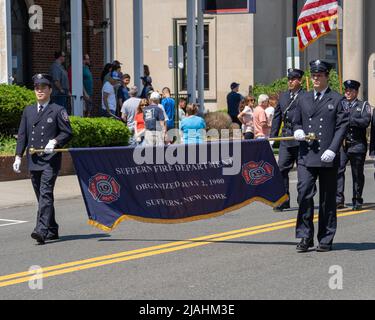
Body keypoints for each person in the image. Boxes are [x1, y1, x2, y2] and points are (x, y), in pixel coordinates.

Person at [293, 60, 349, 252]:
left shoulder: (337, 99)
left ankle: (325, 238)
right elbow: (295, 121)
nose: (315, 79)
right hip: (306, 154)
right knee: (304, 194)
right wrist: (298, 130)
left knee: (327, 199)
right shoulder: (304, 98)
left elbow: (342, 126)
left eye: (319, 75)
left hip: (327, 155)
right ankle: (304, 236)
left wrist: (333, 149)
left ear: (327, 77)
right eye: (313, 75)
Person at [12, 74, 73, 245]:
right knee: (41, 196)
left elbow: (67, 132)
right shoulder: (29, 110)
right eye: (37, 88)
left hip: (49, 160)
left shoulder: (57, 109)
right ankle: (52, 228)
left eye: (43, 87)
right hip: (33, 160)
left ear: (50, 90)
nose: (39, 91)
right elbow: (22, 135)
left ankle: (41, 230)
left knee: (46, 193)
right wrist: (18, 156)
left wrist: (54, 141)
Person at [271, 68, 305, 212]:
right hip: (286, 137)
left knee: (303, 172)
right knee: (281, 169)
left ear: (300, 80)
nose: (290, 82)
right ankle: (284, 200)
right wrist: (272, 137)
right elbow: (277, 117)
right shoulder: (284, 96)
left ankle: (303, 199)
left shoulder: (306, 96)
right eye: (289, 79)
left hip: (300, 138)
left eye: (293, 79)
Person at [336, 80, 372, 211]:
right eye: (346, 90)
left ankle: (357, 199)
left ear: (356, 92)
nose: (347, 93)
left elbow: (365, 121)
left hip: (357, 145)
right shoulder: (340, 104)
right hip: (342, 145)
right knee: (338, 171)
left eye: (350, 91)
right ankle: (338, 199)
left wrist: (349, 119)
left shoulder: (363, 105)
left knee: (357, 174)